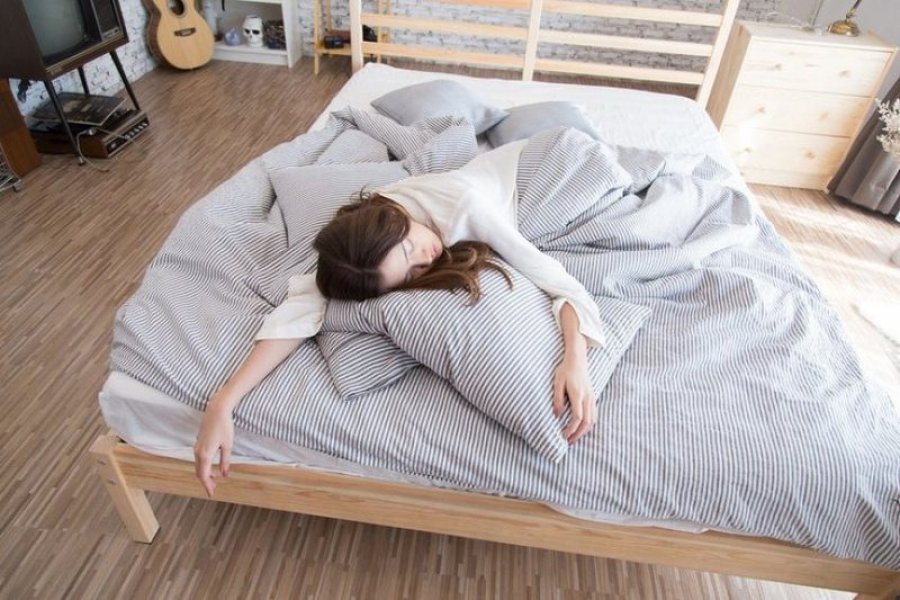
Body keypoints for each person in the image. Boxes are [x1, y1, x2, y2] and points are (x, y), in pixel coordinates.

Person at [194, 140, 607, 496]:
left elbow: (560, 283)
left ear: (395, 221)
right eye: (411, 275)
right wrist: (224, 401)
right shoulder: (360, 249)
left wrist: (575, 359)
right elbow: (301, 309)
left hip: (542, 160)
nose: (427, 258)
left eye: (410, 247)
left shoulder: (465, 210)